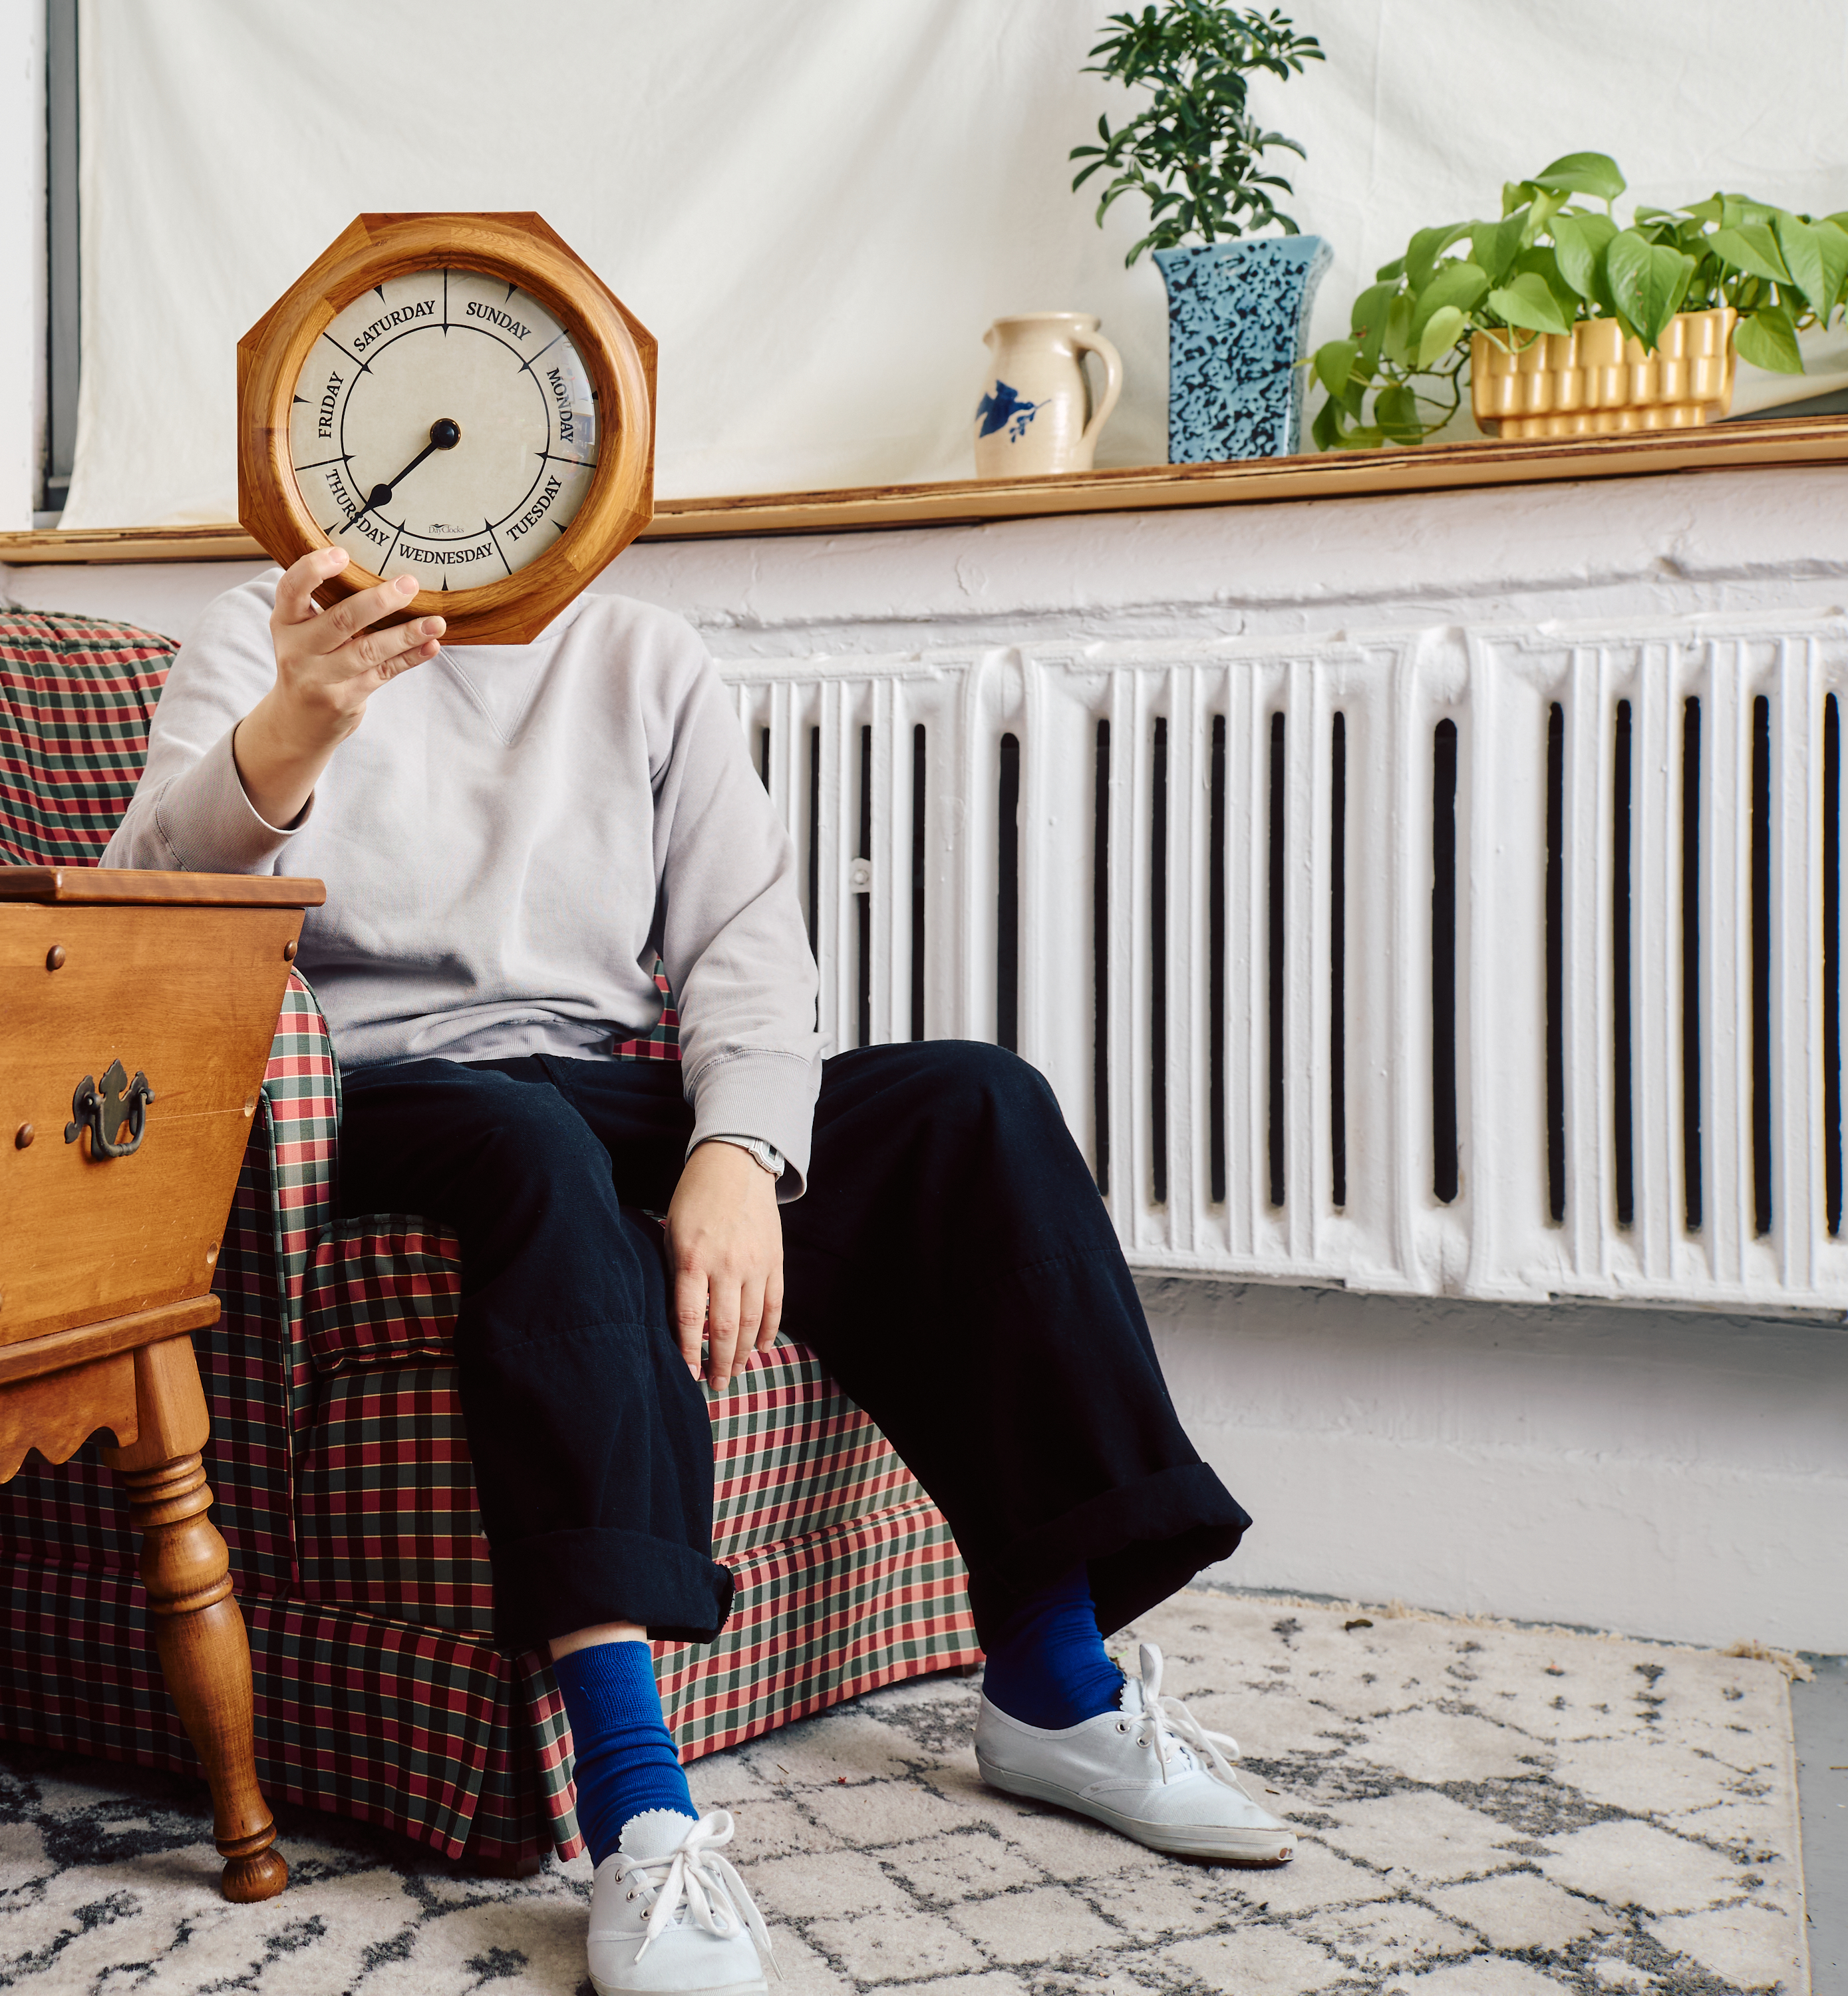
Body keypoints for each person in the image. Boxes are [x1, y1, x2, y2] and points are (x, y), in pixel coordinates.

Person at [103, 549, 1289, 1996]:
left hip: (608, 1071)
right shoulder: (253, 635)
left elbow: (742, 944)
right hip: (383, 1091)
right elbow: (137, 924)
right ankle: (639, 1806)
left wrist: (735, 1150)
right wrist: (297, 720)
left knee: (974, 1103)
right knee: (532, 1148)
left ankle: (1053, 1683)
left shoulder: (640, 654)